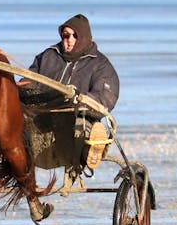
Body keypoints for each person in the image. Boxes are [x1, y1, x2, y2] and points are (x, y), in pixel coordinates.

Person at [28, 14, 119, 168]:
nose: (69, 39)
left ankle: (92, 150)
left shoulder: (100, 65)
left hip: (74, 122)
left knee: (82, 124)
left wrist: (80, 99)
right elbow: (29, 83)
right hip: (41, 120)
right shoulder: (48, 56)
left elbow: (106, 97)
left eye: (74, 36)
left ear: (83, 37)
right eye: (65, 35)